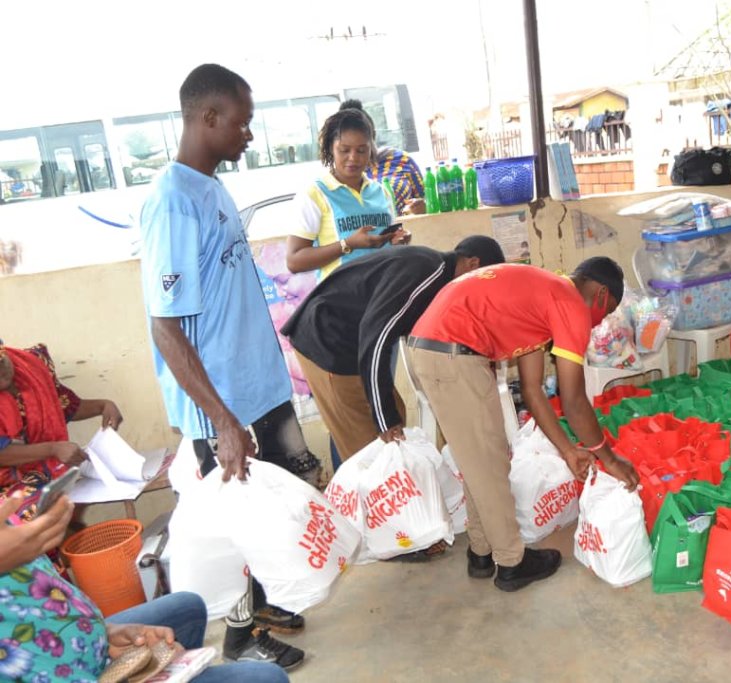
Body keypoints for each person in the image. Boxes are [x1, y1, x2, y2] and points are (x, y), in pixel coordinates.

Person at [137, 63, 316, 669]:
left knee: (275, 507)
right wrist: (222, 420)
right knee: (239, 519)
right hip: (224, 405)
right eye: (242, 123)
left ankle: (263, 604)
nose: (248, 135)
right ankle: (241, 636)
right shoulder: (172, 204)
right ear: (208, 117)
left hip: (257, 388)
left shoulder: (211, 187)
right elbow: (165, 326)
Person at [407, 257, 640, 592]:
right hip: (452, 353)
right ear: (601, 294)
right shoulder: (571, 304)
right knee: (488, 463)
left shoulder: (546, 296)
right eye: (606, 313)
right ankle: (511, 563)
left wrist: (568, 451)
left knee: (480, 458)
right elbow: (574, 401)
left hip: (436, 348)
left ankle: (481, 551)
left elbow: (533, 391)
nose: (599, 323)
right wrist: (610, 459)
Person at [0, 492, 288, 682]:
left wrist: (105, 632)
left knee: (187, 607)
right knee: (265, 679)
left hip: (77, 648)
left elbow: (33, 597)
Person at [280, 235, 505, 460]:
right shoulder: (427, 274)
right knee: (371, 447)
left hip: (346, 338)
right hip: (328, 339)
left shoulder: (434, 273)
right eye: (482, 285)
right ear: (473, 264)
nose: (478, 295)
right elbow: (376, 338)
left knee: (395, 416)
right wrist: (385, 419)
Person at [285, 100, 409, 281]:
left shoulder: (381, 192)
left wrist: (399, 240)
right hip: (340, 295)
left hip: (383, 290)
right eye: (344, 150)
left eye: (361, 150)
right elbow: (294, 261)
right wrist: (348, 244)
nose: (353, 158)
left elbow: (390, 243)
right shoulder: (315, 193)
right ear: (331, 148)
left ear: (371, 149)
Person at [0, 339, 122, 519]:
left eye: (1, 362)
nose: (1, 372)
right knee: (30, 513)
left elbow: (60, 406)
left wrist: (103, 406)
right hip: (6, 482)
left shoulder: (32, 365)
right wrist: (53, 449)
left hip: (43, 472)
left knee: (68, 497)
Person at [369, 145, 426, 216]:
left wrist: (422, 206)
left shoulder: (401, 159)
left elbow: (425, 199)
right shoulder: (358, 173)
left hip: (406, 221)